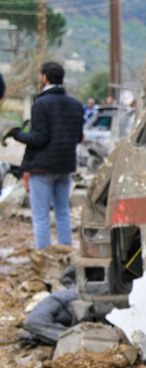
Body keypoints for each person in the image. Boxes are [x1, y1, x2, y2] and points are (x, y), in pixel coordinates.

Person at [7, 61, 83, 249]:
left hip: (42, 169)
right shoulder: (76, 105)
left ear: (44, 77)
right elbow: (79, 137)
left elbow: (39, 139)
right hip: (65, 167)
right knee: (63, 213)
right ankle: (65, 256)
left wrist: (17, 134)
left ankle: (44, 257)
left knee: (40, 216)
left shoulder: (40, 104)